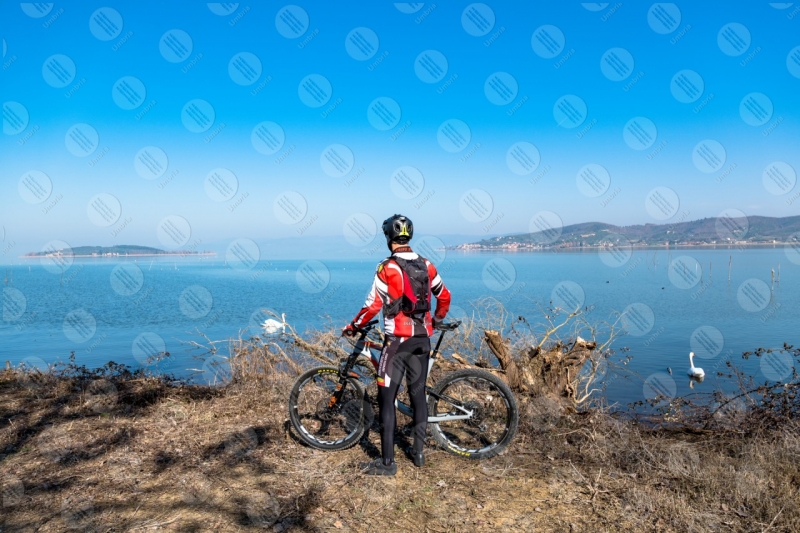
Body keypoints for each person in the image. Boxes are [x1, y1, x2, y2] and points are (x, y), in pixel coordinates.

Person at [343, 214, 451, 476]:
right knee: (418, 394)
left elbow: (373, 306)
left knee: (387, 399)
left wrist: (354, 326)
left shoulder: (386, 268)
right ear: (409, 236)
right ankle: (419, 453)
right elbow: (444, 296)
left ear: (388, 237)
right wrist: (435, 321)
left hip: (397, 343)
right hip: (422, 340)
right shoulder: (427, 265)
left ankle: (387, 463)